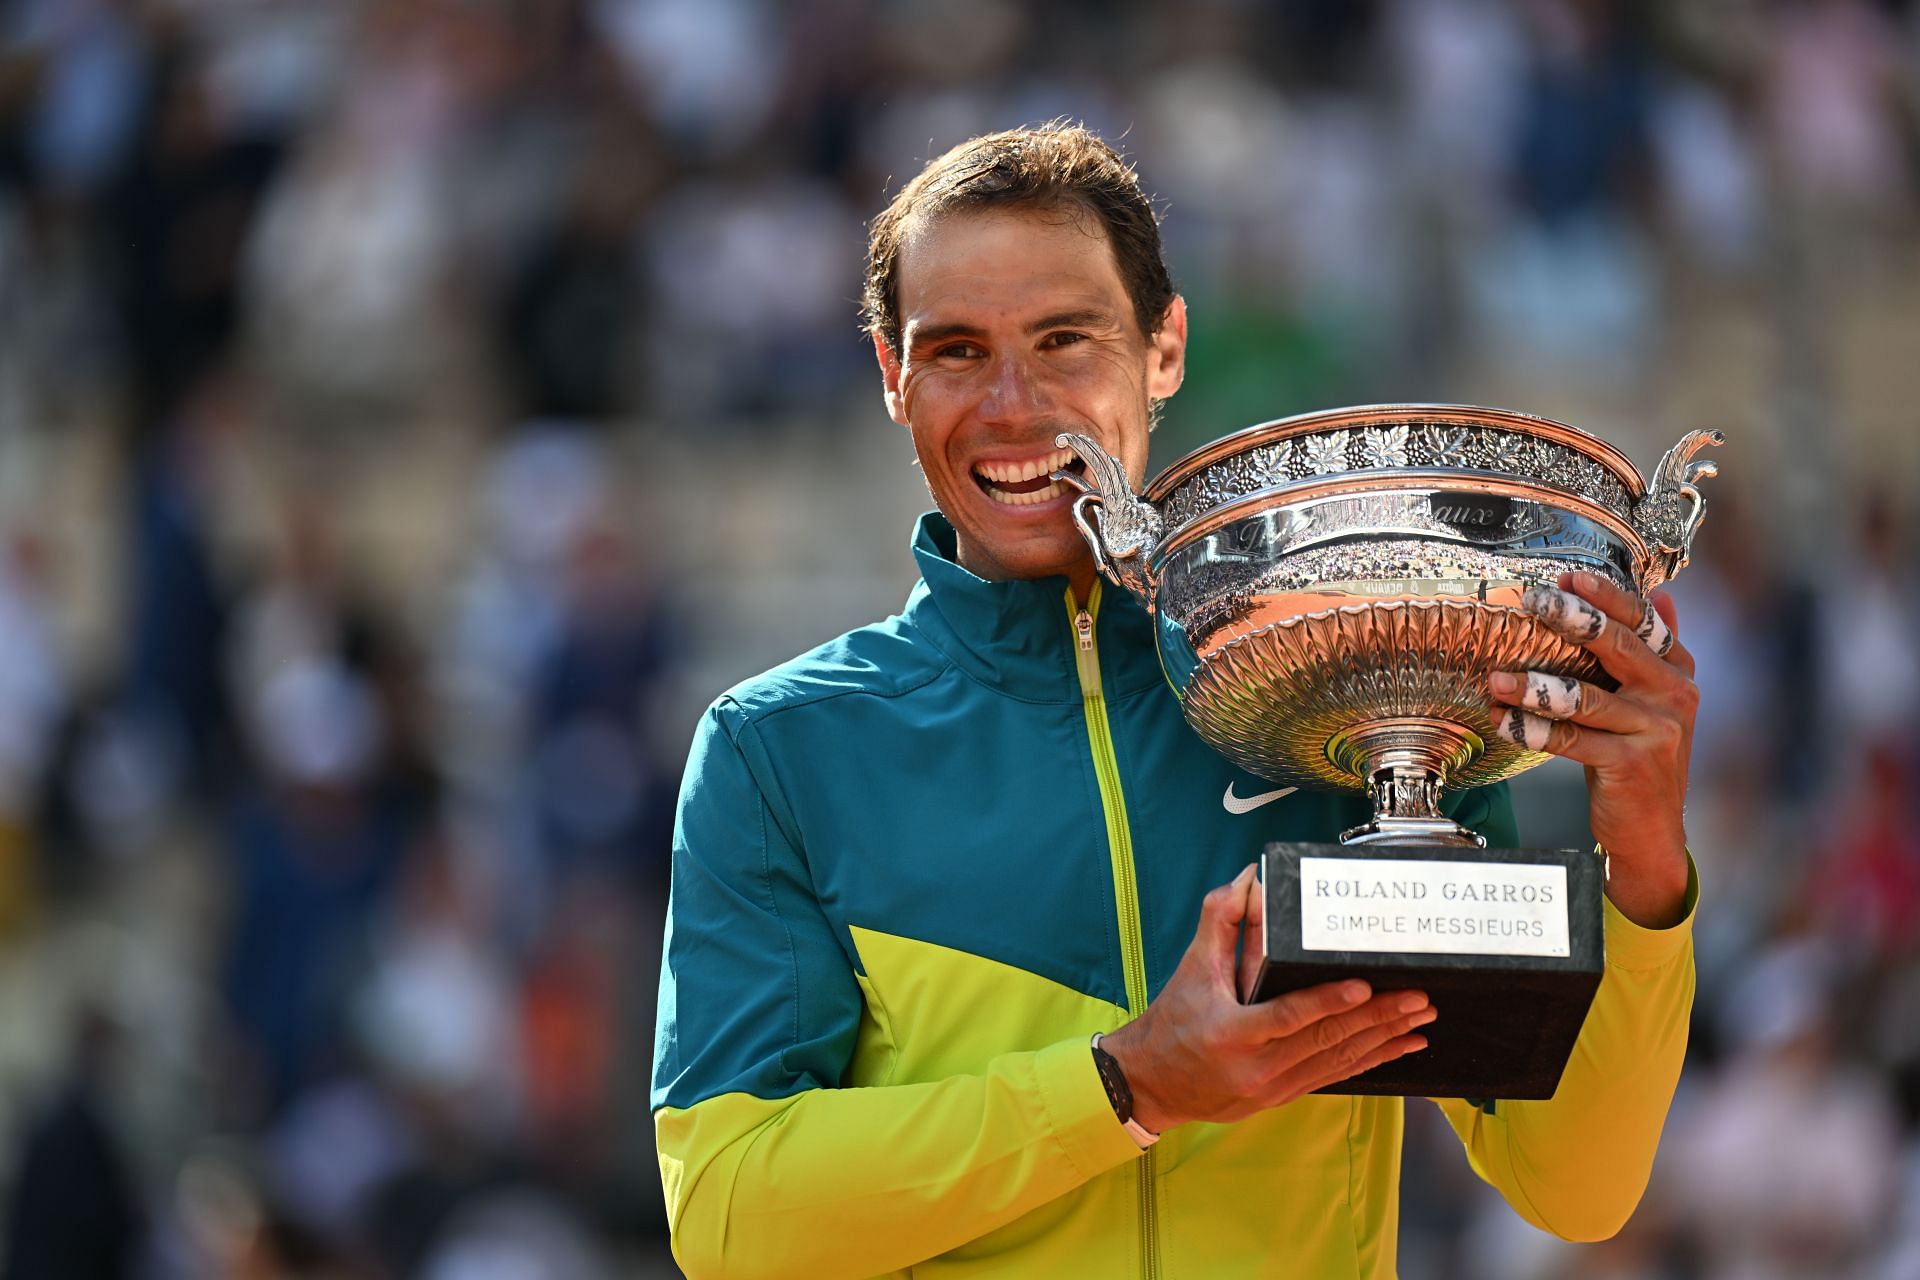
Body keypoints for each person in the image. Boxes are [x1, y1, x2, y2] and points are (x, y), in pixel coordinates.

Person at [651, 124, 1698, 1279]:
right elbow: (731, 1215)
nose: (1012, 404)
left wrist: (1645, 869)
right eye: (954, 351)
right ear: (894, 380)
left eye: (1066, 339)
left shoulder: (1352, 691)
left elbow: (1576, 1186)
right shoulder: (780, 749)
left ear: (1165, 349)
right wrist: (1125, 1084)